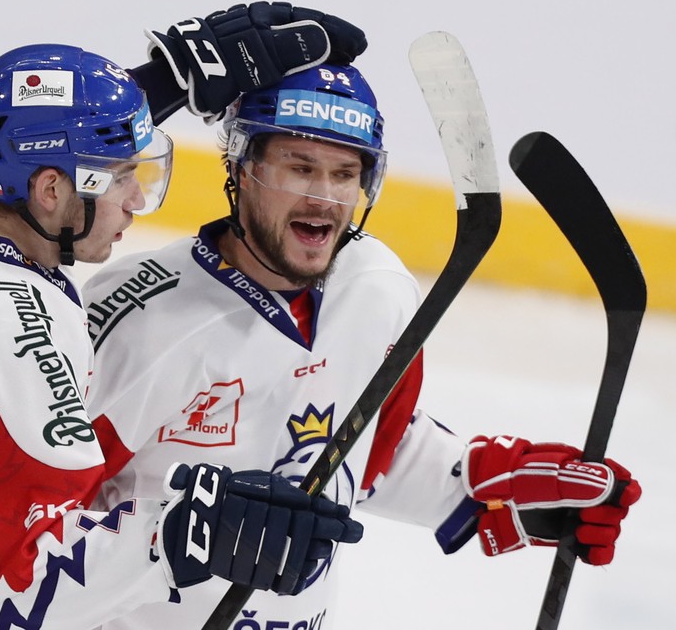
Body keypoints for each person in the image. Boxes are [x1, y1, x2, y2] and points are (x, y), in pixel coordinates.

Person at [0, 3, 371, 629]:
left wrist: (169, 76)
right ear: (49, 191)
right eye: (123, 177)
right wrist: (186, 531)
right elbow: (25, 592)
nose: (135, 201)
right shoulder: (15, 354)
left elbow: (10, 130)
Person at [79, 62, 643, 628]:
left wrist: (481, 483)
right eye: (299, 168)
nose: (324, 199)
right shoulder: (139, 319)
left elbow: (361, 450)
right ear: (242, 169)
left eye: (345, 174)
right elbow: (22, 535)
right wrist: (176, 535)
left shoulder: (375, 288)